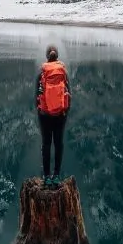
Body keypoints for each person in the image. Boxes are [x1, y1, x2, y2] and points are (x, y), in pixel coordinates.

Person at [35, 45, 71, 187]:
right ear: (57, 57)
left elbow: (36, 97)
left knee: (46, 144)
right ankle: (56, 175)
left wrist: (42, 111)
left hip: (45, 115)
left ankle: (47, 177)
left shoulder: (42, 73)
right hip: (60, 115)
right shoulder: (63, 72)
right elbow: (69, 95)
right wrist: (64, 112)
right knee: (58, 144)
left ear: (47, 57)